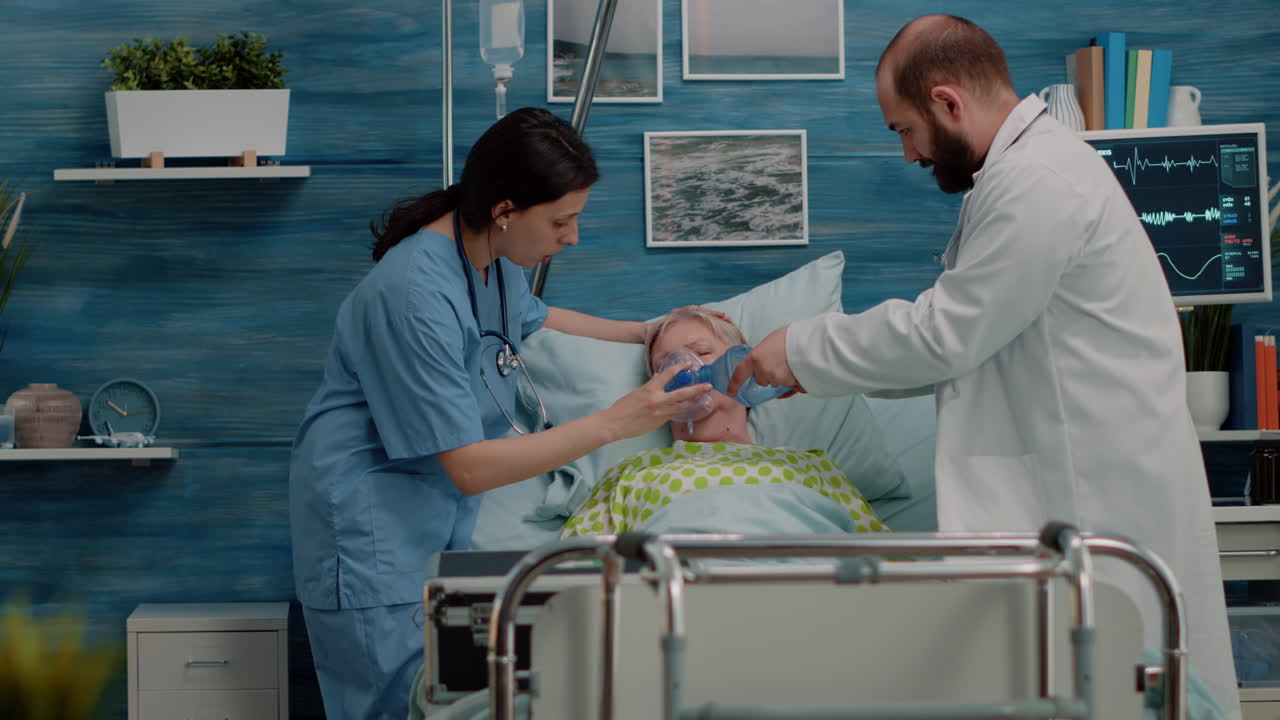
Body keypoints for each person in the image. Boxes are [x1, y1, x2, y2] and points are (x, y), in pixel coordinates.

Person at [728, 15, 1240, 718]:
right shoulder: (1016, 176)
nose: (908, 154)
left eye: (903, 129)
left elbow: (947, 334)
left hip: (1099, 494)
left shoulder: (1040, 183)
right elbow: (965, 350)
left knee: (1134, 684)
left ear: (947, 102)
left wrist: (799, 348)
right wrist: (806, 370)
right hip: (1072, 486)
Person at [288, 107, 711, 720]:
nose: (573, 238)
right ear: (506, 211)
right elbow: (466, 467)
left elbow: (539, 317)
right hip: (370, 537)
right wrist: (622, 419)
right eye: (562, 221)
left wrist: (648, 330)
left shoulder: (485, 259)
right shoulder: (414, 294)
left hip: (430, 530)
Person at [562, 306, 888, 537]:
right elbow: (578, 572)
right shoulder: (630, 475)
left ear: (742, 368)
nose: (683, 369)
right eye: (666, 364)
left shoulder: (810, 467)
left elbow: (884, 562)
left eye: (701, 353)